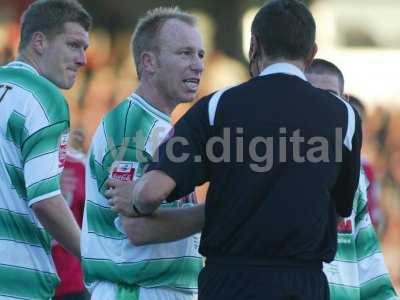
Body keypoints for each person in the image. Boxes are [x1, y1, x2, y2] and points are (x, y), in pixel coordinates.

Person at [107, 0, 362, 299]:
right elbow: (342, 207)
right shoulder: (344, 116)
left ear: (253, 46)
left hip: (229, 282)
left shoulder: (217, 107)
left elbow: (152, 193)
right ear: (312, 53)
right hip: (302, 283)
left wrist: (135, 197)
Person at [81, 7, 204, 300]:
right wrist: (220, 211)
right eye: (185, 53)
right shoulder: (134, 126)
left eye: (200, 54)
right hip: (136, 291)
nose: (198, 65)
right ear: (149, 62)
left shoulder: (156, 125)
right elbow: (136, 228)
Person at [0, 0, 91, 299]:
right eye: (74, 45)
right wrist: (98, 259)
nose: (83, 59)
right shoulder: (43, 96)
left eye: (84, 48)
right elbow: (46, 200)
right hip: (17, 279)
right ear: (39, 41)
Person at [306, 58, 398, 300]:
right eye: (312, 96)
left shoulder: (355, 171)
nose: (322, 107)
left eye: (330, 96)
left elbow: (369, 263)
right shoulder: (277, 170)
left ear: (344, 103)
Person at [52, 129, 88, 300]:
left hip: (71, 285)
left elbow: (91, 223)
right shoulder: (10, 160)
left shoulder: (80, 166)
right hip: (23, 281)